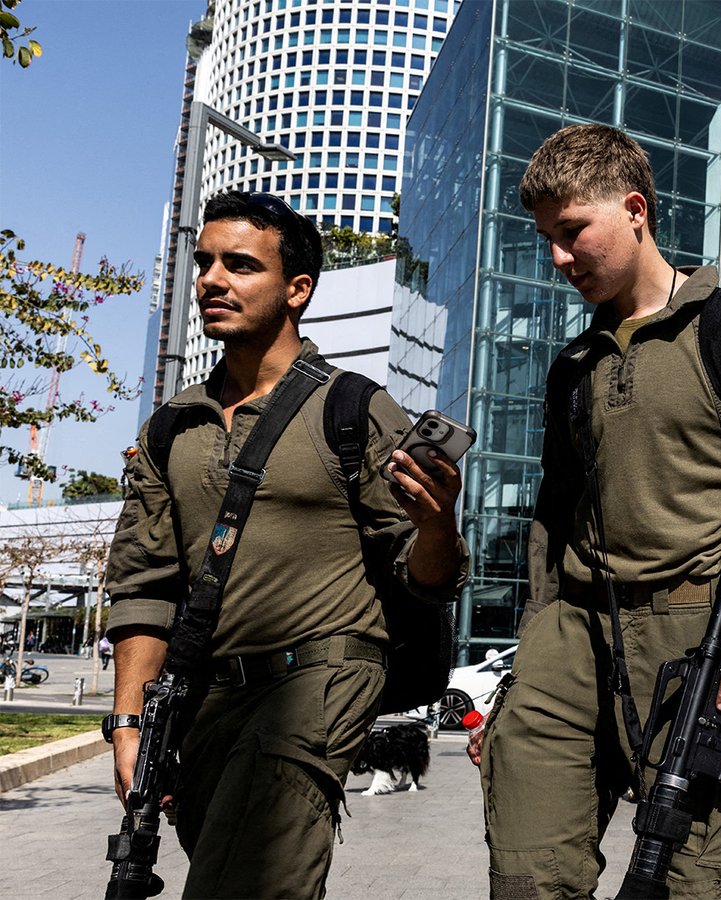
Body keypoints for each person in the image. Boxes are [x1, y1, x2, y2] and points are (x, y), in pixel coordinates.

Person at [473, 124, 721, 898]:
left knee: (690, 881)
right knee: (526, 876)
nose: (558, 258)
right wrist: (527, 671)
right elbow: (551, 530)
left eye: (571, 233)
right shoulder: (572, 367)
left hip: (700, 638)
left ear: (634, 210)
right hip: (570, 639)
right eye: (546, 239)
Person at [104, 190, 467, 898]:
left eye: (240, 265)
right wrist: (128, 725)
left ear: (297, 289)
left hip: (318, 683)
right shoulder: (170, 427)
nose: (211, 279)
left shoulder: (354, 409)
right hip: (206, 705)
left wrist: (435, 524)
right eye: (205, 262)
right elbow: (145, 585)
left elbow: (427, 579)